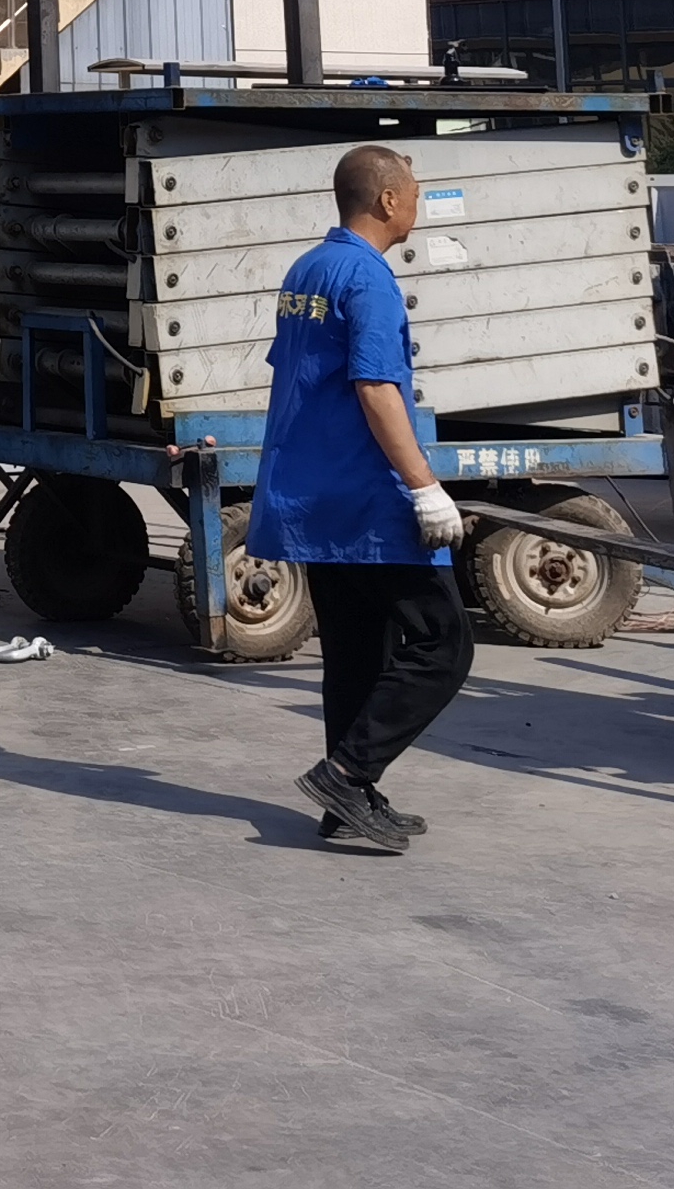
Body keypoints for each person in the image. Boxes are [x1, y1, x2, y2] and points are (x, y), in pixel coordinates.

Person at [243, 143, 473, 853]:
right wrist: (426, 488)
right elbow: (375, 388)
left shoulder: (308, 269)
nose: (418, 204)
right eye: (415, 193)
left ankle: (347, 803)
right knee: (443, 645)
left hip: (312, 496)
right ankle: (345, 772)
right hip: (366, 499)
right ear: (388, 200)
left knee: (355, 653)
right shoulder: (369, 280)